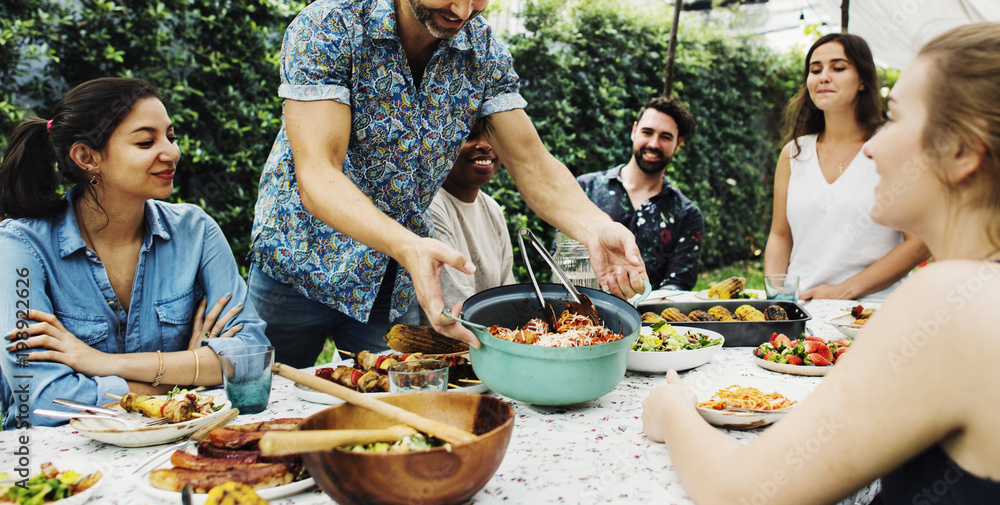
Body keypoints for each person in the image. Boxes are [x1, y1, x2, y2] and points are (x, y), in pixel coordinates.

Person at [642, 23, 1000, 504]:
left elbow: (743, 494)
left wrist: (671, 409)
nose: (873, 147)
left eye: (897, 119)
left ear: (960, 152)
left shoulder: (954, 302)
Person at [249, 0, 647, 368]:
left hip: (391, 279)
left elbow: (533, 164)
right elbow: (318, 174)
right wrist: (408, 245)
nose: (462, 10)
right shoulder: (330, 25)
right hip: (298, 266)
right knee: (262, 410)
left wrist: (596, 229)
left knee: (392, 412)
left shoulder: (483, 51)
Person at [0, 78, 270, 429]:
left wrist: (100, 362)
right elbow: (42, 399)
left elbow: (249, 357)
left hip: (177, 445)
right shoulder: (19, 249)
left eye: (170, 137)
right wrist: (185, 371)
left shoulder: (196, 231)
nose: (171, 152)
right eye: (146, 141)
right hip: (61, 464)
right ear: (86, 157)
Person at [764, 33, 929, 302]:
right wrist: (777, 296)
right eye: (815, 70)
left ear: (863, 80)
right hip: (802, 309)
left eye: (838, 68)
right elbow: (780, 235)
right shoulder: (793, 153)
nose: (823, 77)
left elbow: (920, 242)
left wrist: (845, 290)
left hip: (872, 313)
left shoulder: (894, 144)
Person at [577, 96, 703, 291]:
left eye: (665, 137)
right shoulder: (585, 189)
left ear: (678, 144)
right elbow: (562, 258)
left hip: (651, 319)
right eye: (647, 132)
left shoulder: (687, 214)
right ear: (634, 131)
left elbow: (678, 287)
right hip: (582, 315)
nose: (653, 144)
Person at [423, 117, 514, 321]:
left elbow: (508, 292)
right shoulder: (431, 206)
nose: (485, 145)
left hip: (489, 336)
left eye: (492, 136)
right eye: (470, 136)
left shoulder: (493, 210)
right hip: (445, 344)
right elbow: (456, 304)